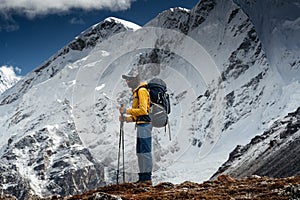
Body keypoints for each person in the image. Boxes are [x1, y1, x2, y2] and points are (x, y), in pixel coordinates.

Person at [119, 72, 153, 185]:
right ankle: (143, 178)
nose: (127, 82)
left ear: (134, 79)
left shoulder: (142, 91)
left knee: (145, 152)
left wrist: (126, 111)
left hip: (145, 125)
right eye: (126, 80)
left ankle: (147, 178)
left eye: (129, 79)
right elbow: (137, 115)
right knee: (140, 152)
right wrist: (126, 119)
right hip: (140, 124)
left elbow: (143, 110)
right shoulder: (136, 92)